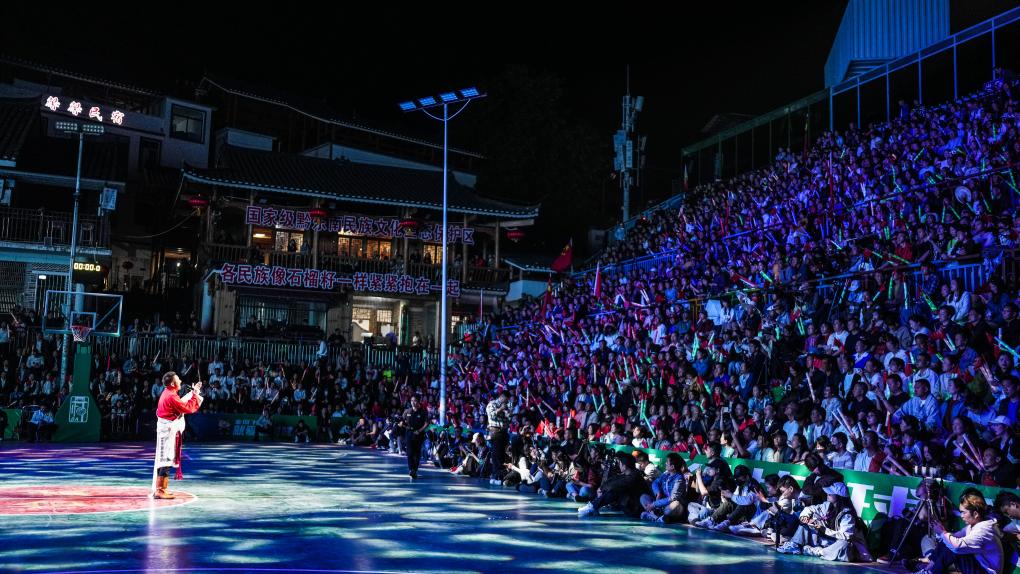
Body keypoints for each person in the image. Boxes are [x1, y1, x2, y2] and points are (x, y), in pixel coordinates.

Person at [921, 493, 1003, 574]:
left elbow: (957, 547)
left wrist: (942, 533)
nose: (961, 516)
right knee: (947, 541)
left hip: (986, 572)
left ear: (975, 514)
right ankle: (929, 567)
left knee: (953, 547)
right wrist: (941, 530)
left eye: (964, 512)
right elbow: (954, 536)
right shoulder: (974, 525)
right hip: (979, 566)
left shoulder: (983, 530)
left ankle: (930, 571)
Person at [152, 371, 203, 499]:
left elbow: (180, 403)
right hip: (167, 431)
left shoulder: (168, 392)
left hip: (166, 430)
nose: (180, 381)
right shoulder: (171, 396)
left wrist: (194, 392)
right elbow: (187, 408)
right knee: (166, 459)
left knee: (164, 458)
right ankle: (160, 490)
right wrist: (195, 395)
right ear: (173, 383)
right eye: (178, 379)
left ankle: (161, 488)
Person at [485, 390, 511, 485]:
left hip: (504, 432)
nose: (507, 402)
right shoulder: (492, 404)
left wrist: (508, 413)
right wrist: (500, 409)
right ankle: (496, 476)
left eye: (508, 400)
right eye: (506, 399)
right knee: (496, 455)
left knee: (504, 455)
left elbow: (508, 419)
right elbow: (491, 415)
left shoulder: (507, 406)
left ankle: (502, 476)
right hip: (495, 432)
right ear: (502, 397)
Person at [403, 395, 428, 479]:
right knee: (409, 453)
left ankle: (415, 470)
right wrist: (401, 424)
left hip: (419, 435)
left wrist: (419, 431)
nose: (413, 402)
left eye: (415, 400)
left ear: (418, 402)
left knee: (417, 453)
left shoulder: (423, 412)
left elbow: (426, 423)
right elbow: (402, 421)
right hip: (409, 434)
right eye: (412, 400)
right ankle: (411, 470)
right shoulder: (407, 411)